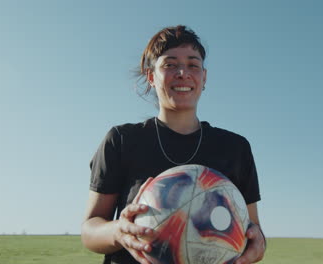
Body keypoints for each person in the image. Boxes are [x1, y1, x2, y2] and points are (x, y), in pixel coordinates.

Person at [82, 25, 266, 264]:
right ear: (151, 76)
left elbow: (254, 231)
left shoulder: (235, 148)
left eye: (193, 65)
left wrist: (258, 244)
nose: (182, 72)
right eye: (169, 64)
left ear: (204, 77)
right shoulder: (122, 140)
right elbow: (90, 230)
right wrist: (119, 231)